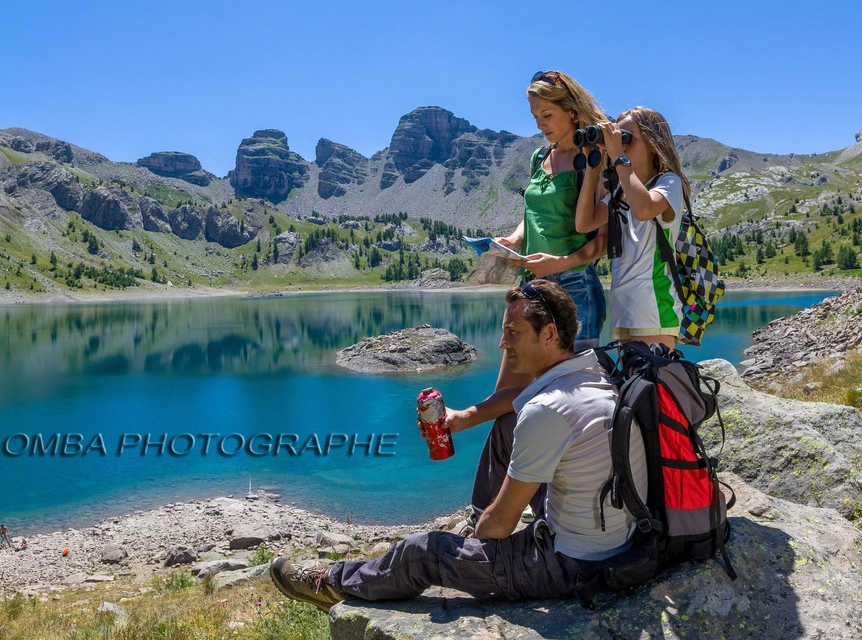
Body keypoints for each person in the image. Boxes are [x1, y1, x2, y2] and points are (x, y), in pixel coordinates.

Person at [271, 280, 646, 607]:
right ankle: (472, 523)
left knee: (423, 552)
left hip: (572, 565)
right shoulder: (594, 370)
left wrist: (473, 551)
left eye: (512, 333)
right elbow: (519, 397)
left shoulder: (549, 410)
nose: (502, 344)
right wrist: (464, 417)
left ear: (548, 334)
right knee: (508, 424)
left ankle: (333, 584)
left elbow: (502, 523)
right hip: (615, 536)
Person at [445, 70, 612, 526]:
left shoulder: (592, 159)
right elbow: (530, 216)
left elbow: (600, 242)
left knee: (560, 404)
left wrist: (558, 263)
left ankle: (554, 513)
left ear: (572, 112)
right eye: (535, 116)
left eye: (548, 114)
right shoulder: (542, 156)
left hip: (573, 291)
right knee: (505, 399)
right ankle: (490, 515)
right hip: (532, 289)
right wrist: (512, 241)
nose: (540, 123)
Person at [573, 106, 688, 348]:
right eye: (617, 138)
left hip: (655, 307)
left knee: (653, 384)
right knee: (631, 385)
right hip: (623, 307)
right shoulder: (621, 191)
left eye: (627, 139)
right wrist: (592, 169)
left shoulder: (668, 182)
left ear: (653, 143)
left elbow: (644, 208)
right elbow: (584, 223)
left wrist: (617, 156)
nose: (621, 145)